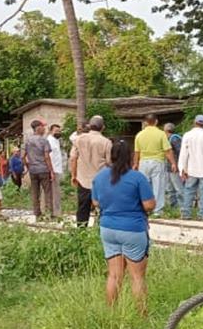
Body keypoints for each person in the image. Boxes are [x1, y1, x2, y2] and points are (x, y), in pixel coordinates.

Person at [92, 139, 156, 315]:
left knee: (114, 275)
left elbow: (96, 202)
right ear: (129, 157)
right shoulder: (137, 177)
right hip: (133, 229)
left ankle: (111, 313)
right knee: (137, 277)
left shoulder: (100, 176)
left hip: (108, 228)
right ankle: (141, 315)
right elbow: (149, 205)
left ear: (111, 156)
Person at [70, 115, 112, 228]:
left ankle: (81, 230)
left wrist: (73, 175)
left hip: (83, 179)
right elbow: (109, 162)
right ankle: (99, 229)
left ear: (89, 126)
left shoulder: (78, 139)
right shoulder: (106, 142)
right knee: (101, 207)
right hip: (101, 180)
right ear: (103, 127)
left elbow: (73, 158)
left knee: (83, 207)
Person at [177, 114, 203, 221]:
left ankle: (186, 213)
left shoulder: (187, 135)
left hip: (191, 169)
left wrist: (182, 168)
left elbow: (183, 153)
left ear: (194, 122)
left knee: (188, 191)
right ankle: (202, 214)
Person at [132, 114, 174, 216]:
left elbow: (136, 152)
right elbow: (167, 151)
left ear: (145, 122)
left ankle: (144, 207)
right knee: (158, 186)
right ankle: (157, 210)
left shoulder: (139, 135)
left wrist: (135, 164)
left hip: (143, 163)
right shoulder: (161, 134)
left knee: (144, 186)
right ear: (156, 121)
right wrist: (173, 163)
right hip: (157, 161)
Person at [24, 120, 56, 221]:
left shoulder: (27, 141)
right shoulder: (44, 141)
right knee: (47, 192)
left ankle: (38, 215)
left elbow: (22, 156)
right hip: (43, 170)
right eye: (43, 127)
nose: (44, 129)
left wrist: (28, 166)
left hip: (33, 170)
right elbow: (47, 157)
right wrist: (51, 170)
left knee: (35, 193)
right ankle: (49, 214)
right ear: (38, 128)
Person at [48, 124, 65, 217]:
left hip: (57, 169)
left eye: (59, 131)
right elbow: (48, 157)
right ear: (51, 131)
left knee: (56, 192)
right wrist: (51, 171)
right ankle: (55, 213)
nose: (58, 132)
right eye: (56, 131)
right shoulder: (49, 141)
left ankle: (54, 212)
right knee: (55, 193)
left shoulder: (56, 141)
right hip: (53, 170)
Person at [164, 122, 184, 206]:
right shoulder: (168, 139)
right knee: (170, 188)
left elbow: (180, 152)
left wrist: (177, 165)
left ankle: (183, 207)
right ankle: (173, 206)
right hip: (169, 167)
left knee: (178, 188)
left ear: (166, 130)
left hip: (174, 167)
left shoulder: (174, 139)